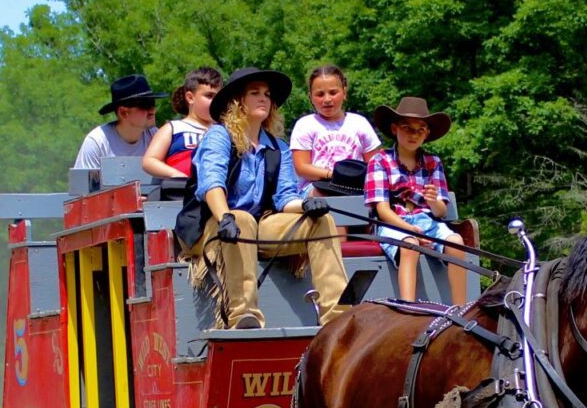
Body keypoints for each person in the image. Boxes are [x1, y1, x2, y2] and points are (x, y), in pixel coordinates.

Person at [192, 67, 349, 329]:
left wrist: (306, 205)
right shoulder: (219, 135)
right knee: (240, 219)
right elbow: (211, 184)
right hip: (217, 224)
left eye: (267, 94)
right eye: (255, 93)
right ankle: (243, 315)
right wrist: (225, 217)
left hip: (259, 224)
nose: (264, 98)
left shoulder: (277, 146)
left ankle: (338, 316)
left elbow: (285, 197)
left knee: (321, 222)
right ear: (237, 101)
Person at [364, 96, 465, 302]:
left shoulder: (433, 162)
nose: (414, 134)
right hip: (393, 223)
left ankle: (461, 306)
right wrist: (409, 230)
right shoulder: (380, 161)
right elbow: (382, 210)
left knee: (457, 242)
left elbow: (440, 212)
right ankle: (408, 308)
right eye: (407, 128)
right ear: (394, 129)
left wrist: (433, 200)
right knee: (410, 245)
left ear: (427, 134)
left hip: (427, 222)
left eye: (420, 129)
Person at [288, 64, 378, 197]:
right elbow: (302, 167)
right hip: (317, 186)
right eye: (320, 94)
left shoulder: (360, 123)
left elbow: (375, 164)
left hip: (356, 188)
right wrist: (336, 175)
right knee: (322, 195)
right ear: (310, 97)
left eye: (333, 92)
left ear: (344, 93)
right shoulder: (305, 125)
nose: (327, 99)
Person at [141, 66, 223, 191]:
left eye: (218, 97)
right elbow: (149, 161)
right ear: (190, 97)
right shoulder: (173, 128)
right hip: (181, 194)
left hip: (217, 195)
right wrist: (176, 175)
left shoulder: (223, 131)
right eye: (209, 96)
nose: (215, 101)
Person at [71, 74, 160, 173]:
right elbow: (84, 187)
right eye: (146, 105)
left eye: (152, 103)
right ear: (123, 113)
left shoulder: (156, 137)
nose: (153, 110)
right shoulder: (97, 142)